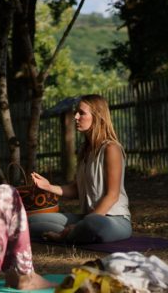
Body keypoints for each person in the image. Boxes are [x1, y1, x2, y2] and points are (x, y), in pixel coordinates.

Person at [28, 94, 132, 244]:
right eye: (76, 112)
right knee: (33, 221)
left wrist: (81, 224)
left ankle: (68, 234)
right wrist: (48, 186)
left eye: (82, 113)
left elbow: (112, 196)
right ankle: (71, 232)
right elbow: (77, 189)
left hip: (112, 220)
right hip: (86, 217)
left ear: (97, 116)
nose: (76, 117)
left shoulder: (111, 148)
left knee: (92, 224)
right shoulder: (85, 150)